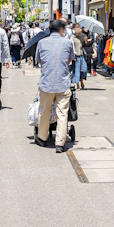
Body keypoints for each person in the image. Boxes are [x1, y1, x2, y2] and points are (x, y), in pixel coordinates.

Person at [35, 19, 75, 153]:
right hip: (63, 83)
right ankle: (60, 143)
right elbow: (70, 60)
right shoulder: (68, 43)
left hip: (46, 83)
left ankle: (42, 137)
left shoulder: (41, 43)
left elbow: (39, 60)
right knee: (62, 114)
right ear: (62, 30)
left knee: (44, 111)